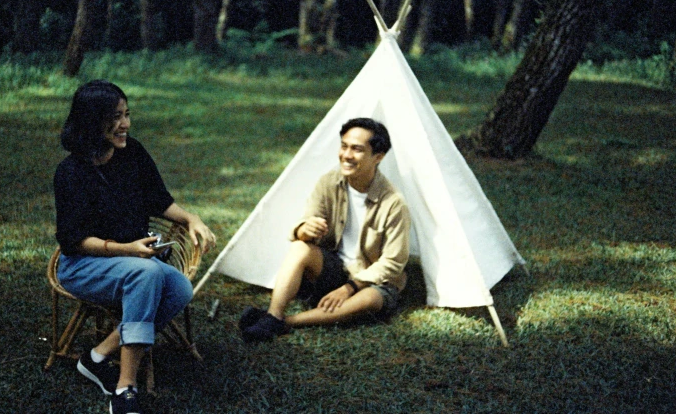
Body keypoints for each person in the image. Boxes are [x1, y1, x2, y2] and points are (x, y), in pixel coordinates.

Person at [53, 80, 216, 414]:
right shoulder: (70, 172)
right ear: (91, 121)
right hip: (82, 265)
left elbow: (160, 200)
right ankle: (125, 388)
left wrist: (191, 218)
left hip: (134, 260)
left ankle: (97, 356)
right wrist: (127, 249)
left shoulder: (133, 153)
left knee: (180, 288)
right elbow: (73, 240)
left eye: (127, 114)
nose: (125, 124)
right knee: (146, 276)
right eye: (115, 117)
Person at [240, 117, 410, 342]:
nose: (346, 155)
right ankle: (274, 315)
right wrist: (305, 230)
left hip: (371, 280)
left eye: (357, 149)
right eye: (344, 146)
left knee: (369, 300)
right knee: (300, 248)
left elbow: (393, 262)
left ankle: (286, 323)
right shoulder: (329, 182)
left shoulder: (394, 203)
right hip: (335, 269)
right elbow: (303, 229)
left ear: (378, 157)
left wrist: (350, 288)